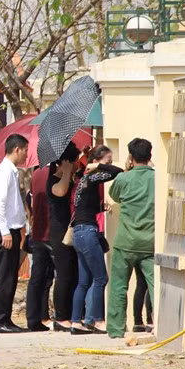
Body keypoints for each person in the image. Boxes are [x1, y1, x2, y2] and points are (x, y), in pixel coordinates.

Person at [70, 146, 123, 335]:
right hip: (87, 232)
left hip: (79, 232)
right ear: (98, 160)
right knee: (101, 278)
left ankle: (77, 321)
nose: (110, 164)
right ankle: (97, 320)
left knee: (84, 281)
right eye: (107, 160)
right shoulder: (92, 177)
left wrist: (101, 207)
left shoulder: (81, 180)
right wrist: (98, 166)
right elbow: (118, 172)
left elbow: (84, 205)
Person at [108, 138, 156, 338]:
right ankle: (159, 323)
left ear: (130, 157)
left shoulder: (123, 179)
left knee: (119, 286)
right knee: (154, 286)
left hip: (126, 241)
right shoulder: (157, 178)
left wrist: (126, 171)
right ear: (150, 156)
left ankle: (116, 329)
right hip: (150, 242)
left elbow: (115, 196)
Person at [0, 134, 29, 334]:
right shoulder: (4, 171)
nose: (26, 155)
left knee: (11, 277)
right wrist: (4, 231)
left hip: (11, 229)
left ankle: (6, 318)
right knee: (4, 277)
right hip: (3, 230)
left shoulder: (12, 172)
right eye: (25, 151)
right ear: (17, 149)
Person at [48, 143, 81, 332]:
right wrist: (67, 171)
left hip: (71, 231)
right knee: (63, 274)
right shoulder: (52, 179)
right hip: (59, 232)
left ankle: (69, 313)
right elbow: (59, 191)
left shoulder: (70, 178)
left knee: (72, 272)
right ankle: (60, 317)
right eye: (74, 161)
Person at [25, 164, 54, 332]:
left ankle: (34, 318)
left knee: (37, 278)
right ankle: (63, 316)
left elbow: (29, 202)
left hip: (38, 231)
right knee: (60, 276)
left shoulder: (35, 174)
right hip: (51, 231)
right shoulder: (53, 172)